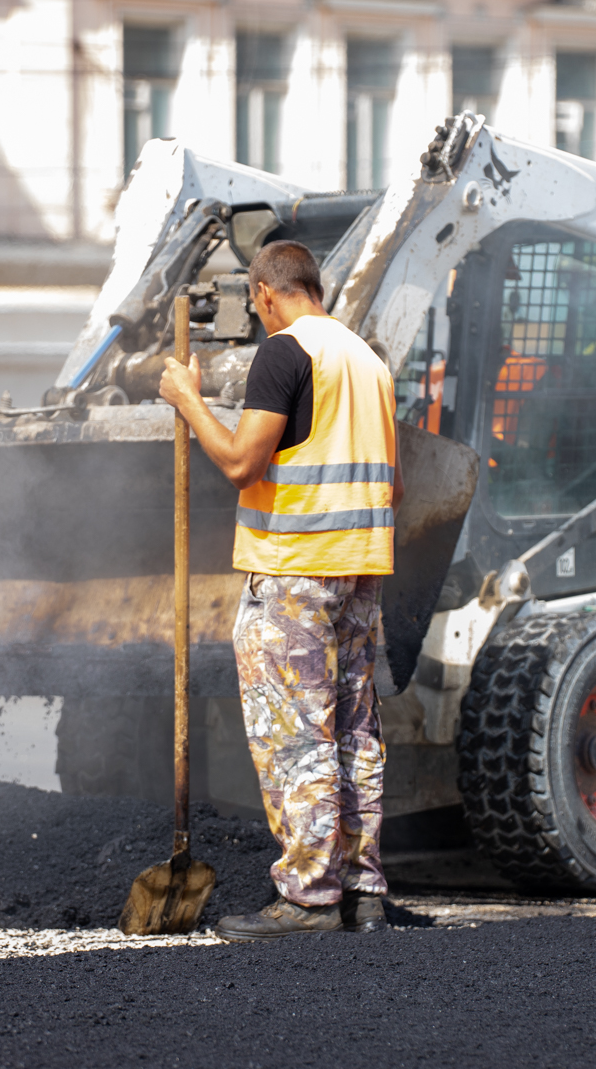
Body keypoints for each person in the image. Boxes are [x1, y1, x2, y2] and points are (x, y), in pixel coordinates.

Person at [158, 240, 402, 940]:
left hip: (295, 569)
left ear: (265, 294)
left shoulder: (287, 352)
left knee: (296, 733)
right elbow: (397, 483)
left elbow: (240, 461)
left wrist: (187, 400)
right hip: (359, 571)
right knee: (355, 731)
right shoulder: (369, 364)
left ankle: (308, 897)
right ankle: (362, 894)